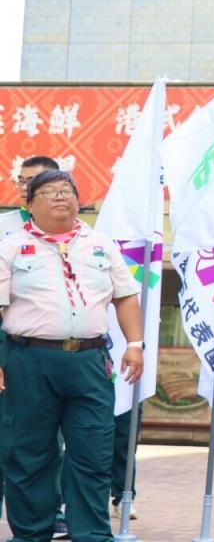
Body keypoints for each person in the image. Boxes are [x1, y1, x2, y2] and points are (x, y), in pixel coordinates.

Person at [0, 170, 145, 542]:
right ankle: (32, 534)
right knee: (29, 455)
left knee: (93, 452)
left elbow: (125, 295)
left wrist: (134, 344)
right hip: (28, 360)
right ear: (29, 205)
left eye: (66, 190)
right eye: (48, 192)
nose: (59, 197)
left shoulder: (100, 244)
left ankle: (92, 535)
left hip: (89, 361)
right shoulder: (10, 246)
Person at [0, 156, 63, 535]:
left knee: (43, 436)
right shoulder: (4, 228)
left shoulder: (72, 232)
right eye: (22, 180)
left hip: (43, 345)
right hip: (8, 336)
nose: (27, 186)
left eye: (36, 180)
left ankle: (46, 512)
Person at [0, 156, 60, 239]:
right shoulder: (2, 224)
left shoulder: (74, 228)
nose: (24, 188)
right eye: (21, 181)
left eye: (32, 182)